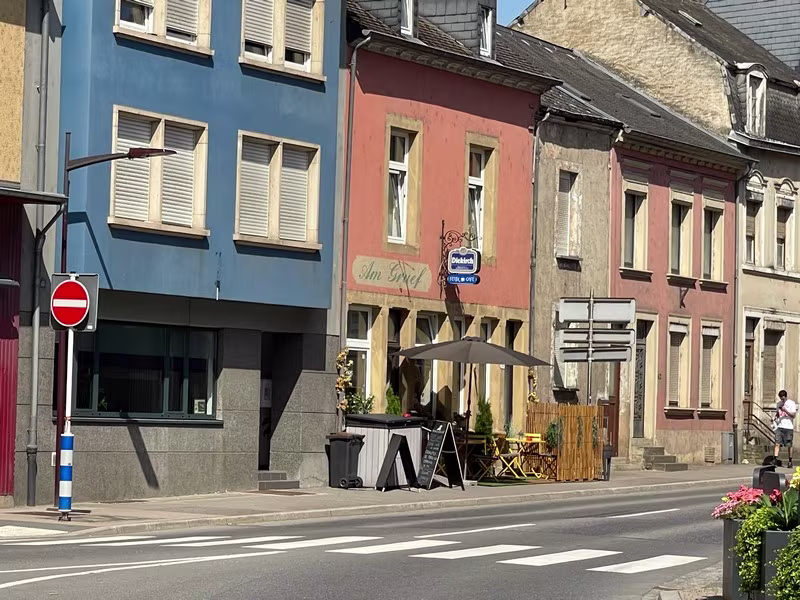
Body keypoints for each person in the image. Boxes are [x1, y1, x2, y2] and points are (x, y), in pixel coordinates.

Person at [774, 390, 797, 468]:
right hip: (780, 426)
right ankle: (775, 459)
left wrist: (785, 410)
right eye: (781, 398)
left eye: (783, 399)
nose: (782, 400)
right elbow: (778, 414)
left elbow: (794, 415)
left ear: (786, 397)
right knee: (777, 442)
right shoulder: (779, 404)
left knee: (789, 445)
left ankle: (790, 461)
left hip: (788, 427)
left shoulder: (791, 403)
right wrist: (774, 417)